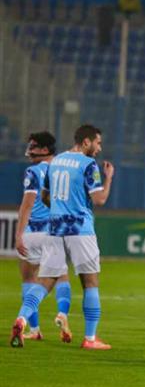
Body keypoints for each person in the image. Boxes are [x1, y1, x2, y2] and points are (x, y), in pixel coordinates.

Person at [10, 125, 114, 350]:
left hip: (55, 229)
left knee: (44, 282)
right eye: (98, 143)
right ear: (86, 142)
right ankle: (90, 338)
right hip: (80, 229)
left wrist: (60, 208)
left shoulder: (54, 163)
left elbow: (45, 196)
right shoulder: (88, 165)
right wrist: (109, 179)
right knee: (90, 283)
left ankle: (22, 319)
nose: (99, 148)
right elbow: (100, 200)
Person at [15, 132, 72, 342]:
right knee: (61, 276)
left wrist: (19, 234)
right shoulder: (65, 169)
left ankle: (34, 328)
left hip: (34, 232)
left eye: (34, 146)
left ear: (45, 149)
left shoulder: (33, 171)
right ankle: (62, 314)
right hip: (57, 231)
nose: (30, 149)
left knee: (29, 278)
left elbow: (27, 204)